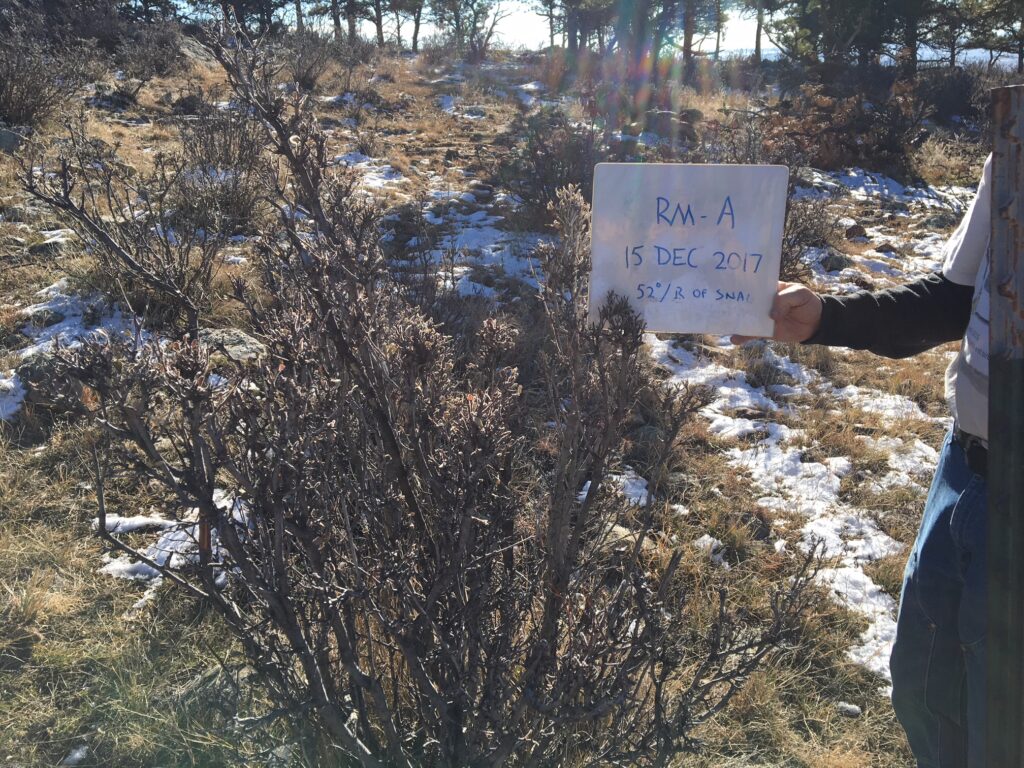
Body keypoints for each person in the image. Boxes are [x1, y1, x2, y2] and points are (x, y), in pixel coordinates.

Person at [733, 155, 993, 768]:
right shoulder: (1018, 131)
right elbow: (956, 299)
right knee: (926, 684)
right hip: (967, 461)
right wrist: (826, 317)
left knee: (1004, 716)